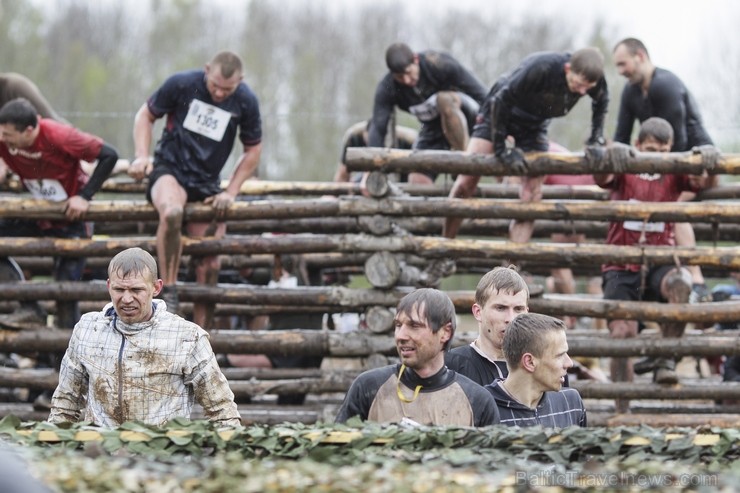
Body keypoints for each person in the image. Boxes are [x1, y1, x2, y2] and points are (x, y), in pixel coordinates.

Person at [429, 48, 609, 288]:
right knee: (466, 180)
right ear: (568, 69)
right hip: (499, 113)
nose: (583, 91)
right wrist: (503, 149)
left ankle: (510, 272)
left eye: (589, 86)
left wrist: (595, 139)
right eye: (579, 84)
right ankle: (444, 251)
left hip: (534, 126)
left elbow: (601, 102)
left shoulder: (592, 78)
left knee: (531, 195)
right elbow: (502, 100)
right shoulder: (541, 68)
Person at [128, 51, 262, 330]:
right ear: (206, 71)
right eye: (215, 86)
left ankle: (203, 334)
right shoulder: (181, 84)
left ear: (241, 82)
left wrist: (231, 191)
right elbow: (145, 115)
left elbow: (253, 150)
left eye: (228, 89)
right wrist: (142, 155)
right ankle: (170, 290)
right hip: (170, 169)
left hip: (207, 182)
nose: (220, 93)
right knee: (173, 212)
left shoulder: (246, 101)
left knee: (211, 259)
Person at [596, 118, 716, 408]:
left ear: (670, 149)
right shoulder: (625, 167)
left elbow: (701, 181)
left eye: (662, 151)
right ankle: (621, 410)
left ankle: (664, 357)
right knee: (622, 333)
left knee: (681, 284)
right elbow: (602, 178)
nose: (656, 157)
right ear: (638, 146)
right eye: (650, 150)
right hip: (621, 263)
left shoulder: (673, 171)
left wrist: (708, 161)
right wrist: (611, 155)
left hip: (661, 258)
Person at [48, 247, 241, 427]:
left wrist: (230, 452)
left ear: (156, 288)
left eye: (136, 290)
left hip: (163, 456)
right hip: (100, 455)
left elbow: (222, 409)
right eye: (119, 290)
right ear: (108, 286)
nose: (127, 299)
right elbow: (65, 403)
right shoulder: (87, 330)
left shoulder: (187, 337)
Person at [612, 37, 720, 305]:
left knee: (673, 208)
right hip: (668, 166)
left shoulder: (665, 85)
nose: (621, 71)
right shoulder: (631, 91)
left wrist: (668, 186)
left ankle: (697, 279)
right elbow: (621, 138)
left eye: (623, 64)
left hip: (697, 165)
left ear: (640, 56)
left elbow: (679, 146)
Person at [0, 97, 119, 330]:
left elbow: (109, 155)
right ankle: (30, 307)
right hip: (39, 212)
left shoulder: (60, 136)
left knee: (65, 288)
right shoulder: (3, 140)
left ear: (29, 130)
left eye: (8, 135)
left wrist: (84, 196)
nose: (3, 139)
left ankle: (65, 357)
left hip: (71, 218)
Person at [335, 288, 500, 426]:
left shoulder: (477, 401)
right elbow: (336, 453)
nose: (401, 335)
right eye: (398, 325)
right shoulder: (367, 388)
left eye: (414, 326)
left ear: (445, 332)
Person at [368, 42, 486, 187]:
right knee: (416, 179)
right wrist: (370, 168)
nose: (406, 80)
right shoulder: (387, 87)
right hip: (433, 129)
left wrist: (500, 126)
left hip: (467, 118)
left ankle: (463, 161)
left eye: (408, 73)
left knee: (444, 100)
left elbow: (482, 95)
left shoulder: (438, 64)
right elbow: (378, 126)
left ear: (416, 60)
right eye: (400, 77)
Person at [485, 313, 587, 428]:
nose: (569, 363)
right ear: (529, 362)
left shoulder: (571, 403)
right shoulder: (482, 408)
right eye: (559, 355)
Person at [445, 266, 529, 385]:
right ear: (478, 312)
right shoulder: (451, 367)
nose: (511, 318)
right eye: (500, 308)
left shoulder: (539, 368)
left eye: (518, 309)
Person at [333, 119, 418, 183]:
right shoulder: (353, 136)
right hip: (367, 179)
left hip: (403, 178)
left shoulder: (409, 140)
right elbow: (342, 174)